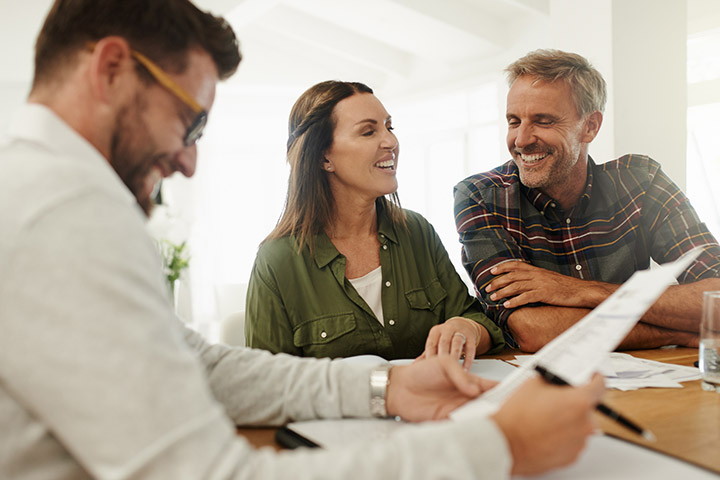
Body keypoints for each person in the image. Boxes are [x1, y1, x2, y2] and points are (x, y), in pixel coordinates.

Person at [0, 2, 604, 477]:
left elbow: (194, 361)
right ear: (110, 69)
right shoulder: (61, 208)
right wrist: (500, 447)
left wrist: (385, 384)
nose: (188, 161)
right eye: (192, 121)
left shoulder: (38, 189)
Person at [454, 49, 720, 353]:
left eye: (543, 121)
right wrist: (679, 331)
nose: (522, 139)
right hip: (539, 392)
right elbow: (532, 329)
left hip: (647, 386)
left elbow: (717, 296)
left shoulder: (641, 181)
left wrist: (576, 291)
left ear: (590, 126)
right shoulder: (480, 196)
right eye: (514, 121)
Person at [244, 80, 504, 365]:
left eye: (389, 127)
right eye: (368, 131)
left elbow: (475, 319)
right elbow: (265, 384)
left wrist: (469, 329)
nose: (391, 141)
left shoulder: (417, 232)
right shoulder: (277, 261)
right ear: (323, 157)